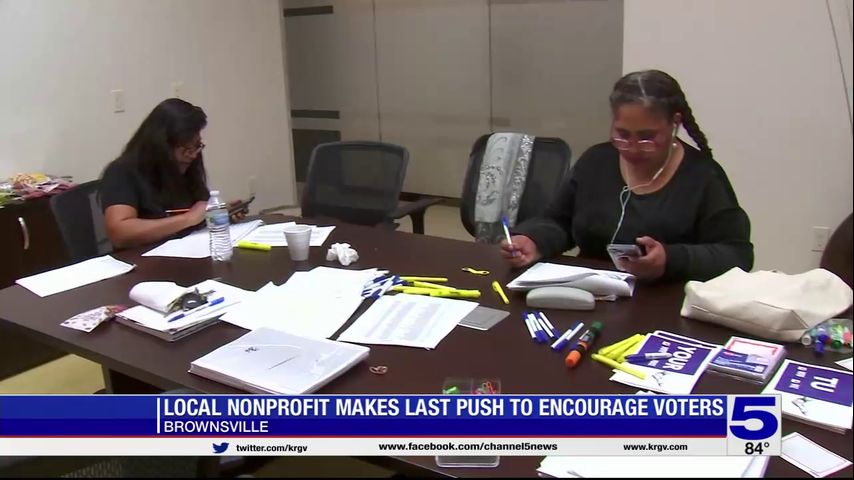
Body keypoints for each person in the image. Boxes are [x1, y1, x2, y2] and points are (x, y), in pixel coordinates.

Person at [502, 70, 753, 282]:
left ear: (674, 123)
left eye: (647, 137)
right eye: (622, 134)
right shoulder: (596, 161)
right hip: (592, 295)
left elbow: (737, 255)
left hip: (667, 304)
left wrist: (669, 259)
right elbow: (559, 221)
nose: (632, 148)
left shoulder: (703, 177)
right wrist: (533, 240)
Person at [100, 98, 244, 249]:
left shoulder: (188, 166)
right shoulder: (122, 171)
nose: (193, 155)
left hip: (188, 251)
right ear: (161, 144)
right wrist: (188, 219)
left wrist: (217, 215)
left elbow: (198, 213)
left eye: (196, 146)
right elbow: (120, 233)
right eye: (185, 148)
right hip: (144, 259)